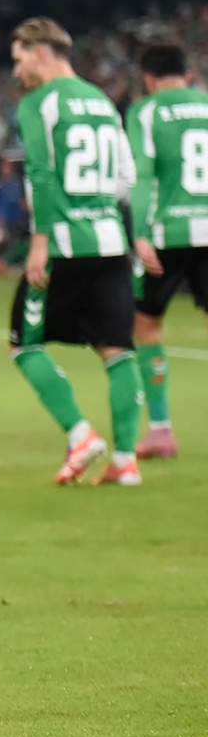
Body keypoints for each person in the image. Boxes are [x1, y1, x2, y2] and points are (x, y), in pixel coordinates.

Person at [7, 18, 144, 486]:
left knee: (23, 343)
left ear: (42, 51)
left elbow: (41, 176)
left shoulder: (39, 104)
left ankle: (81, 434)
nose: (17, 70)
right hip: (110, 241)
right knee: (118, 350)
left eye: (20, 58)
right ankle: (125, 461)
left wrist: (39, 242)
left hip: (64, 244)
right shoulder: (103, 101)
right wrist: (97, 207)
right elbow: (127, 176)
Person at [125, 42, 208, 460]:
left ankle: (160, 431)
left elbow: (143, 175)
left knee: (146, 326)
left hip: (167, 233)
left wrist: (139, 233)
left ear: (148, 78)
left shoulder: (146, 111)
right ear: (186, 72)